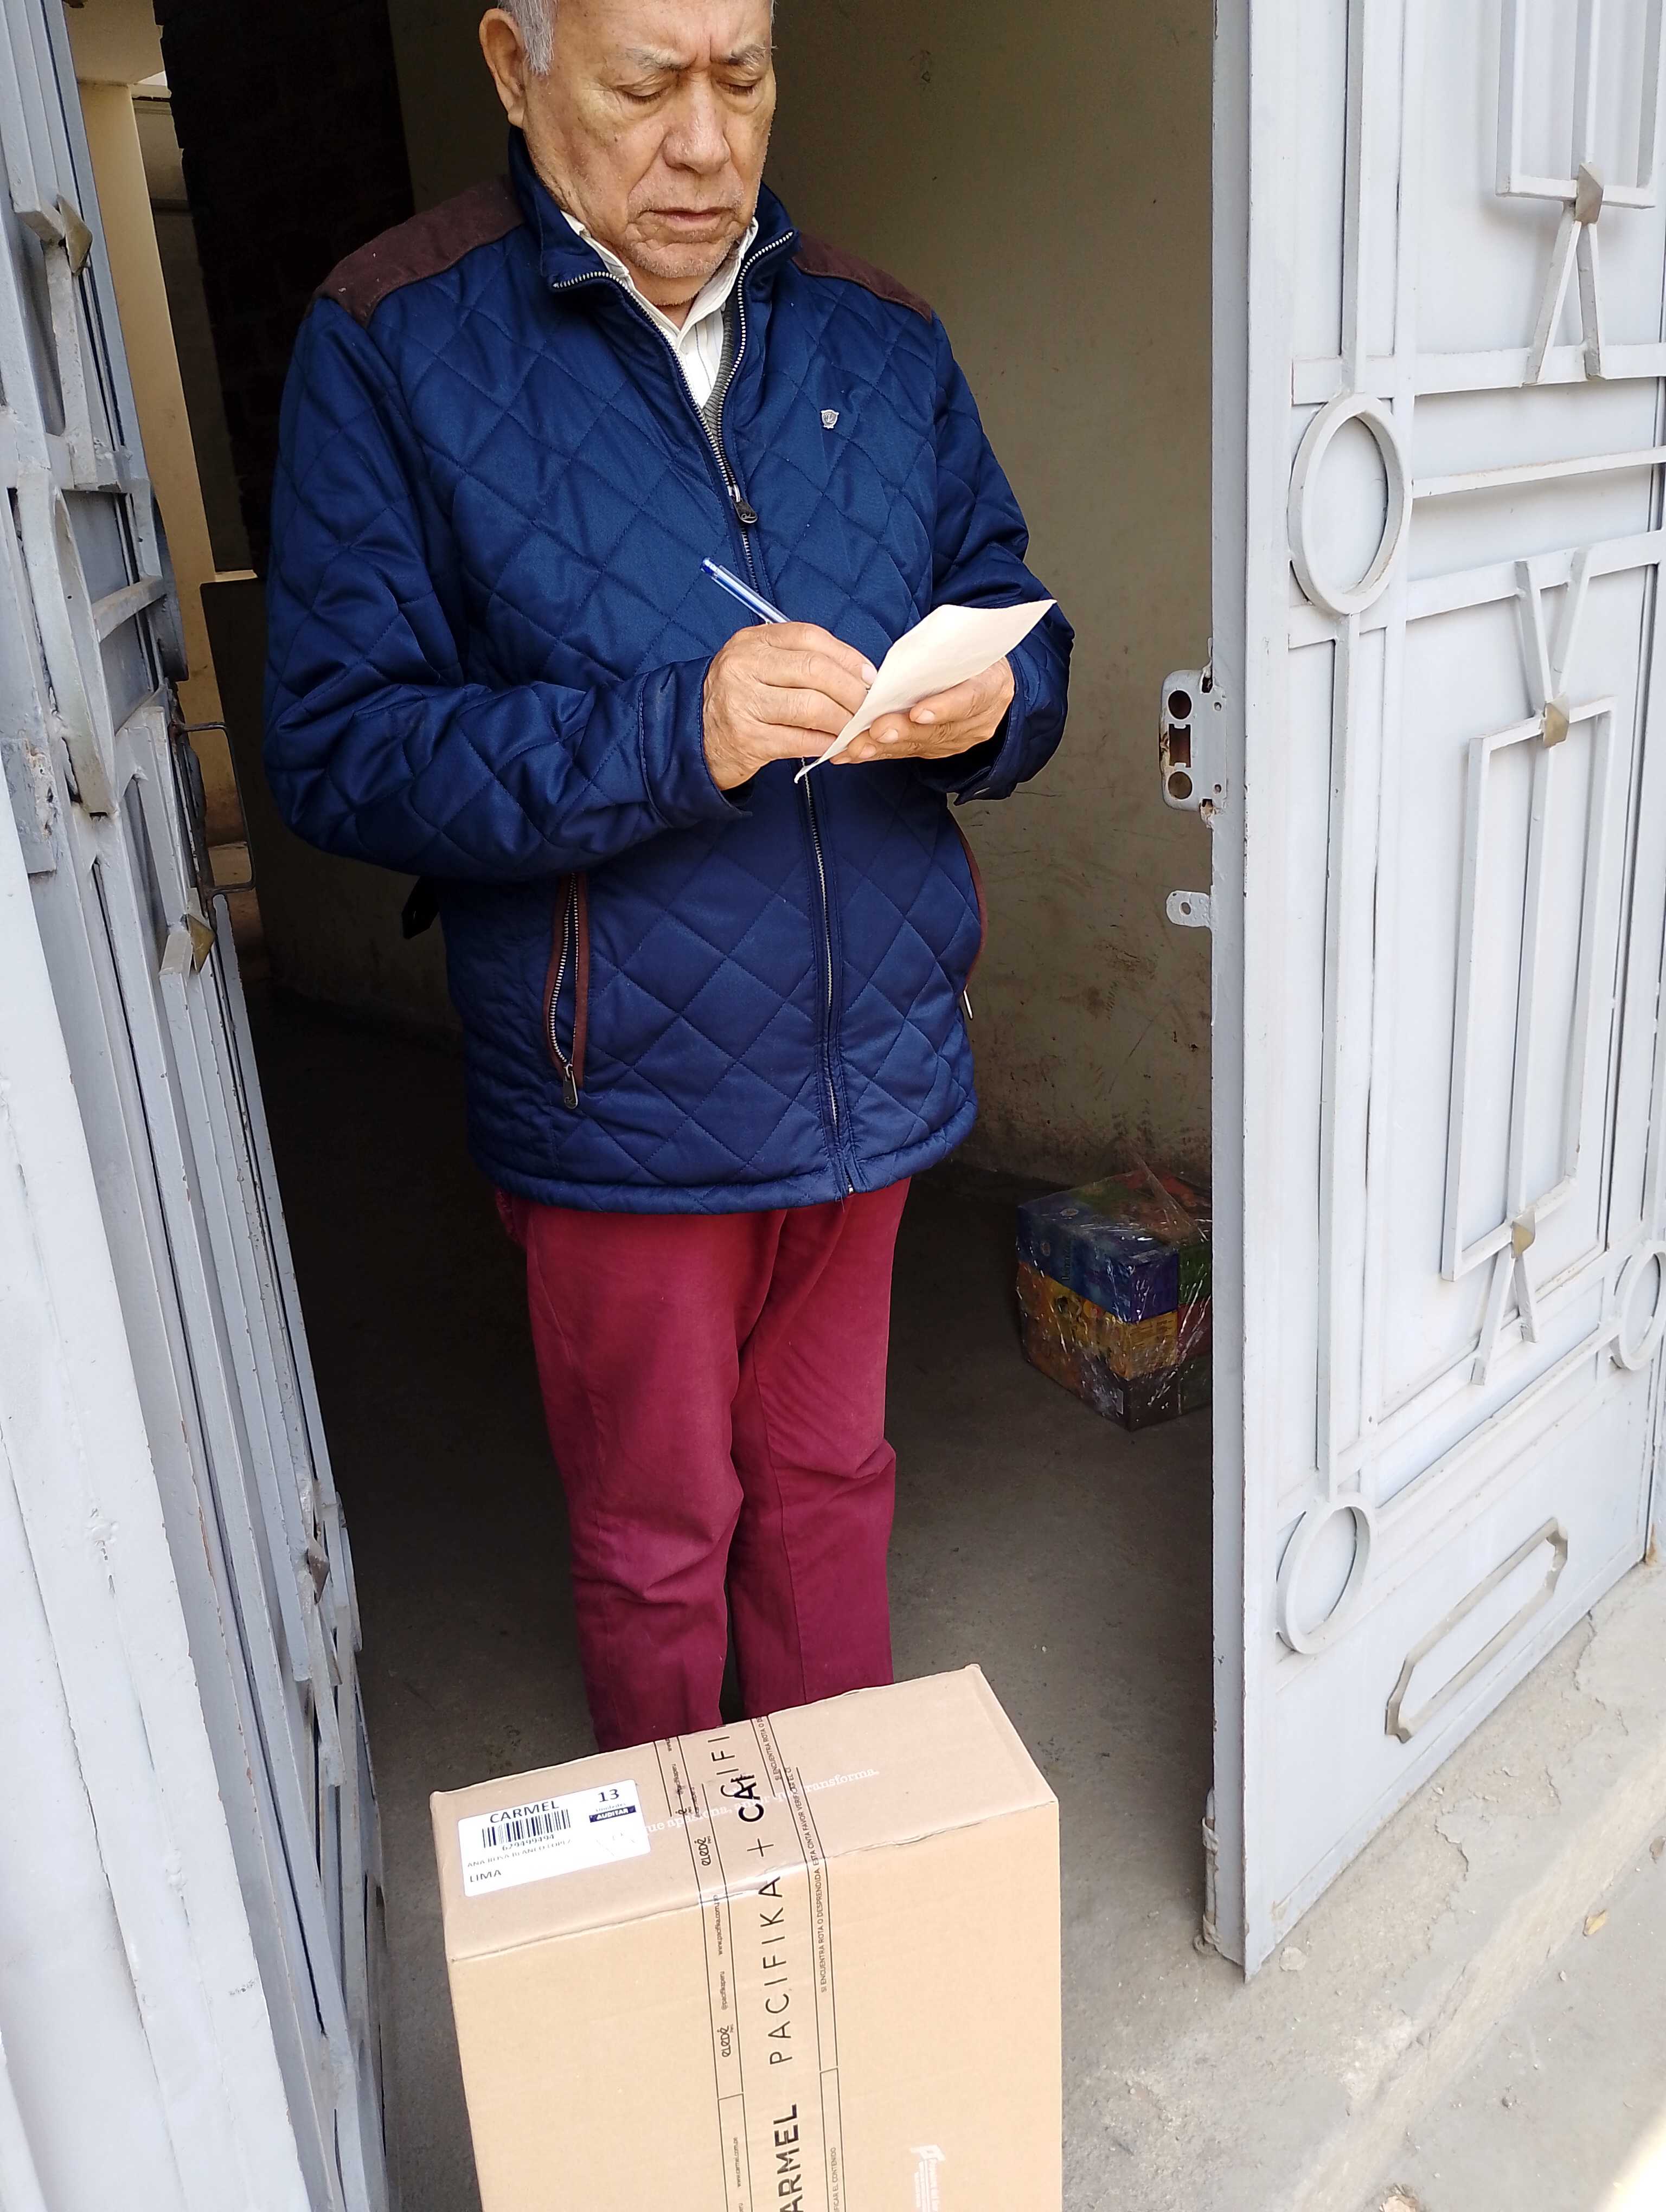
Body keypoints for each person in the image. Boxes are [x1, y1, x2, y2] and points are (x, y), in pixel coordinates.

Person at [264, 0, 1072, 1753]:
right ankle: (687, 1877)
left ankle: (827, 1849)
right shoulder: (397, 339)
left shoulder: (878, 331)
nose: (706, 143)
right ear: (515, 66)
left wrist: (1000, 704)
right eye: (647, 85)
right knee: (656, 1536)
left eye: (744, 76)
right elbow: (339, 746)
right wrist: (669, 733)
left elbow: (1014, 598)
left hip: (871, 1065)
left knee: (833, 1481)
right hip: (621, 1095)